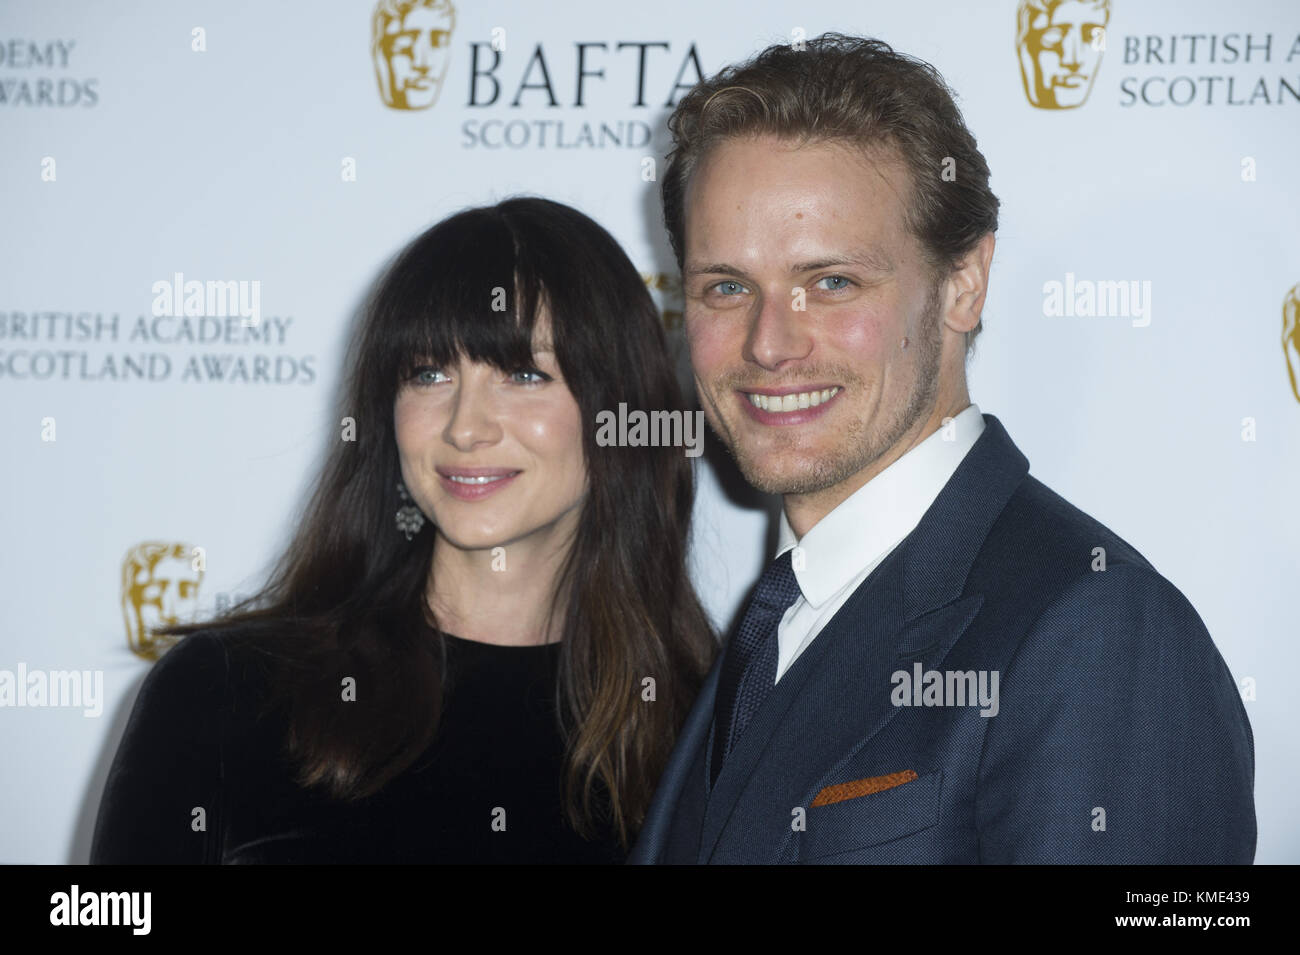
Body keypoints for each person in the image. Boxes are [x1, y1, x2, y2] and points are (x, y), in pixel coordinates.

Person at [630, 33, 1256, 864]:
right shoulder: (774, 616)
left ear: (964, 284)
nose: (769, 344)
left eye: (833, 282)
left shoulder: (1099, 631)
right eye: (727, 287)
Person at [90, 197, 716, 864]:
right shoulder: (224, 694)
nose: (465, 426)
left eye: (523, 374)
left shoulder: (704, 732)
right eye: (429, 373)